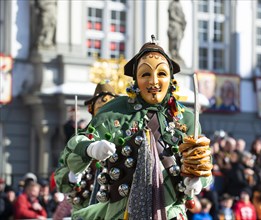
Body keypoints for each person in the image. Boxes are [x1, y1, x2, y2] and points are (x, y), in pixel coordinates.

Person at [55, 39, 213, 219]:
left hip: (171, 212)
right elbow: (75, 146)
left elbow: (203, 162)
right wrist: (90, 148)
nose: (154, 81)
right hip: (122, 212)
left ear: (171, 78)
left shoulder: (186, 117)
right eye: (145, 74)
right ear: (136, 79)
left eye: (161, 73)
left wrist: (197, 179)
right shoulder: (115, 112)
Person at [55, 81, 118, 213]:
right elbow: (61, 178)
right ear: (91, 109)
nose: (107, 115)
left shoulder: (124, 137)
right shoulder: (80, 138)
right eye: (102, 109)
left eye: (111, 109)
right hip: (85, 209)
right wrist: (71, 175)